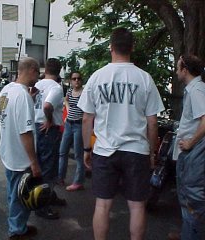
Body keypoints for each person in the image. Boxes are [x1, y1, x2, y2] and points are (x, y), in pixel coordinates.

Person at [77, 28, 164, 240]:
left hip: (105, 150)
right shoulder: (144, 79)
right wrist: (153, 153)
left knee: (103, 205)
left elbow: (87, 118)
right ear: (132, 47)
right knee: (137, 207)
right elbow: (152, 122)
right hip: (136, 150)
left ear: (111, 47)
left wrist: (87, 148)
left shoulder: (98, 77)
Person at [0, 57, 42, 240]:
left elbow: (10, 116)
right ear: (31, 70)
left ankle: (18, 226)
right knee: (21, 195)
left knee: (13, 193)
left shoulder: (7, 90)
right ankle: (16, 230)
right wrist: (34, 162)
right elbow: (25, 132)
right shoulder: (22, 96)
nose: (38, 77)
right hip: (20, 156)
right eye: (38, 73)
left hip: (8, 152)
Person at [169, 55, 205, 240]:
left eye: (178, 68)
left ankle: (191, 235)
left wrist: (190, 142)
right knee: (187, 196)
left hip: (194, 154)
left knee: (192, 198)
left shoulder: (197, 90)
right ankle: (187, 233)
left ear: (185, 70)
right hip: (192, 154)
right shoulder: (194, 89)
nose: (176, 71)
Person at [34, 58, 66, 220]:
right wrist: (49, 119)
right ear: (59, 71)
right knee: (48, 167)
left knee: (40, 164)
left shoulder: (37, 85)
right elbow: (47, 106)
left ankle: (49, 196)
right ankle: (42, 205)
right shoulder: (56, 88)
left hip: (35, 127)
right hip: (48, 129)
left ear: (45, 69)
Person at [58, 71, 85, 191]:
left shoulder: (84, 93)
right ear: (70, 81)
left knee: (78, 154)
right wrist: (68, 111)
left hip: (79, 125)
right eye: (74, 79)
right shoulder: (69, 91)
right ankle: (60, 177)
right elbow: (66, 100)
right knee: (63, 151)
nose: (76, 80)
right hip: (69, 124)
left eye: (78, 78)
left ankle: (78, 181)